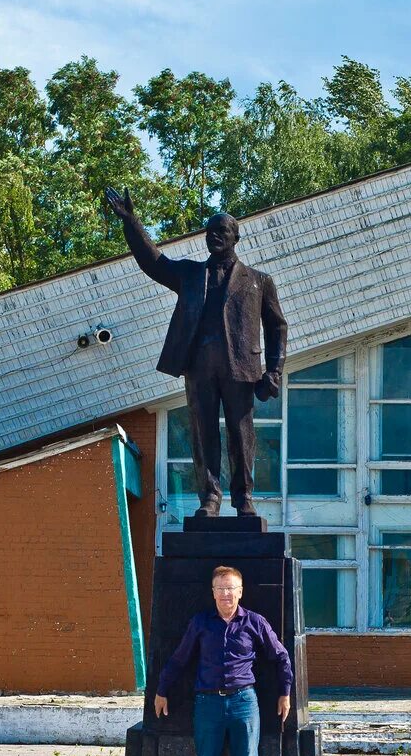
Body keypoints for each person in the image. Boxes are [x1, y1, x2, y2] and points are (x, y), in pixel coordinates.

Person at [104, 186, 288, 517]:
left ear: (235, 238)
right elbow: (154, 262)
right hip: (200, 367)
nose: (214, 237)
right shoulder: (191, 274)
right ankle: (210, 498)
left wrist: (274, 370)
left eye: (222, 232)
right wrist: (131, 222)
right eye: (210, 231)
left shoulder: (259, 281)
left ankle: (244, 498)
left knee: (240, 433)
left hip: (240, 368)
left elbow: (277, 327)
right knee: (204, 432)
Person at [155, 566, 293, 756]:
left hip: (244, 702)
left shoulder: (255, 622)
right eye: (221, 589)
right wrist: (161, 690)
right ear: (213, 592)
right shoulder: (201, 623)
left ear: (240, 592)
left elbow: (280, 657)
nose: (226, 594)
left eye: (231, 588)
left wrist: (285, 693)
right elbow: (179, 659)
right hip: (207, 705)